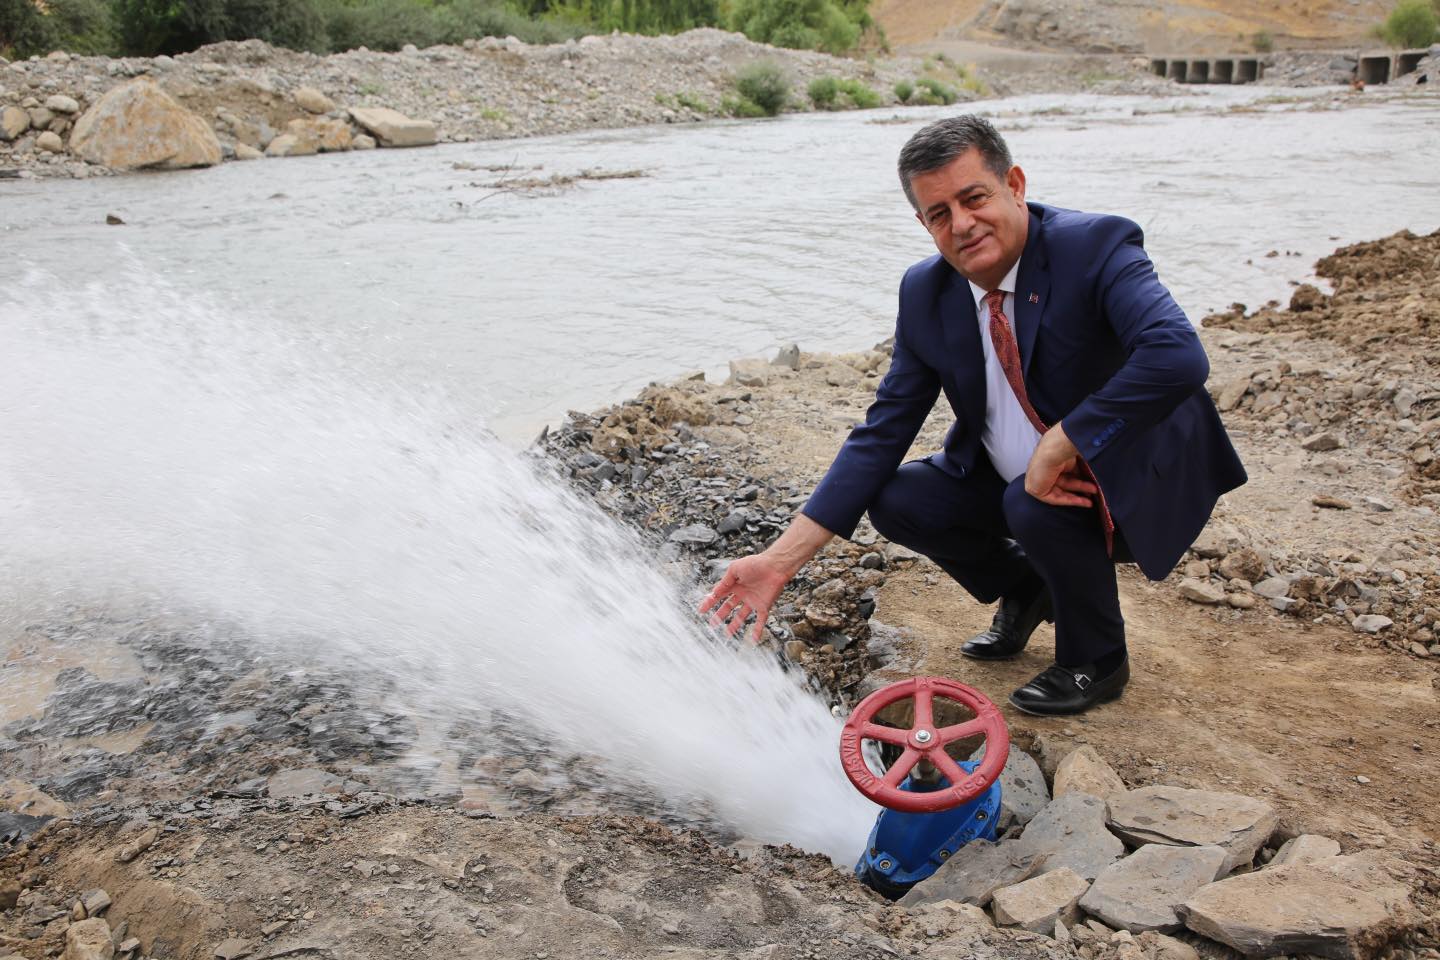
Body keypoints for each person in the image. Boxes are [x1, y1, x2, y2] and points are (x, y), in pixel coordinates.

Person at [700, 115, 1246, 716]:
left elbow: (1177, 354)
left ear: (1014, 183)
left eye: (974, 198)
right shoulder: (926, 291)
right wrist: (780, 562)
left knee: (1029, 499)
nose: (961, 224)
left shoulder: (1094, 247)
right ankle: (1026, 587)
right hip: (1004, 473)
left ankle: (1098, 659)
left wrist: (1065, 442)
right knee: (898, 498)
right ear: (923, 223)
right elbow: (884, 429)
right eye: (939, 213)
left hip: (1125, 472)